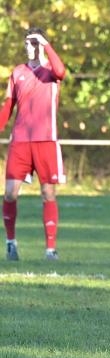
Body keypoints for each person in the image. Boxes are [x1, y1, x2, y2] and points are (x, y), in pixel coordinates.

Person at [0, 27, 66, 261]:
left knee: (48, 193)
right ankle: (11, 244)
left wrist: (46, 45)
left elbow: (61, 70)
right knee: (9, 193)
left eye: (34, 43)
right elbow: (7, 108)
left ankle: (50, 249)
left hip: (46, 140)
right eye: (28, 43)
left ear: (43, 44)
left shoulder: (51, 70)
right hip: (20, 142)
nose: (30, 47)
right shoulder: (17, 72)